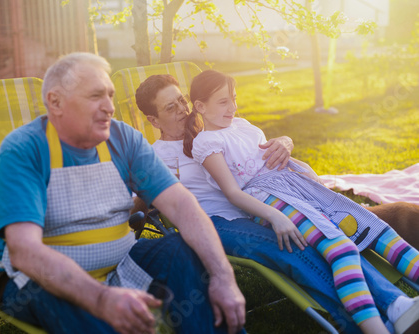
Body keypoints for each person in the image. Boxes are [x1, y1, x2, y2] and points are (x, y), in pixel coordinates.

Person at [135, 73, 419, 334]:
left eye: (181, 101)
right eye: (170, 108)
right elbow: (138, 201)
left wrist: (285, 141)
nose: (182, 110)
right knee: (296, 245)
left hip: (266, 202)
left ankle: (394, 303)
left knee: (330, 237)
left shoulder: (216, 127)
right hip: (221, 221)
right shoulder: (156, 156)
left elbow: (259, 152)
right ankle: (370, 323)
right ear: (154, 121)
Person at [0, 53, 246, 334]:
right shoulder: (24, 149)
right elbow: (25, 252)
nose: (109, 107)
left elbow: (182, 205)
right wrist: (101, 298)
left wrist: (223, 276)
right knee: (93, 315)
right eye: (96, 96)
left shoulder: (124, 138)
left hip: (120, 263)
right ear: (55, 102)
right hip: (39, 280)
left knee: (180, 249)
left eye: (109, 95)